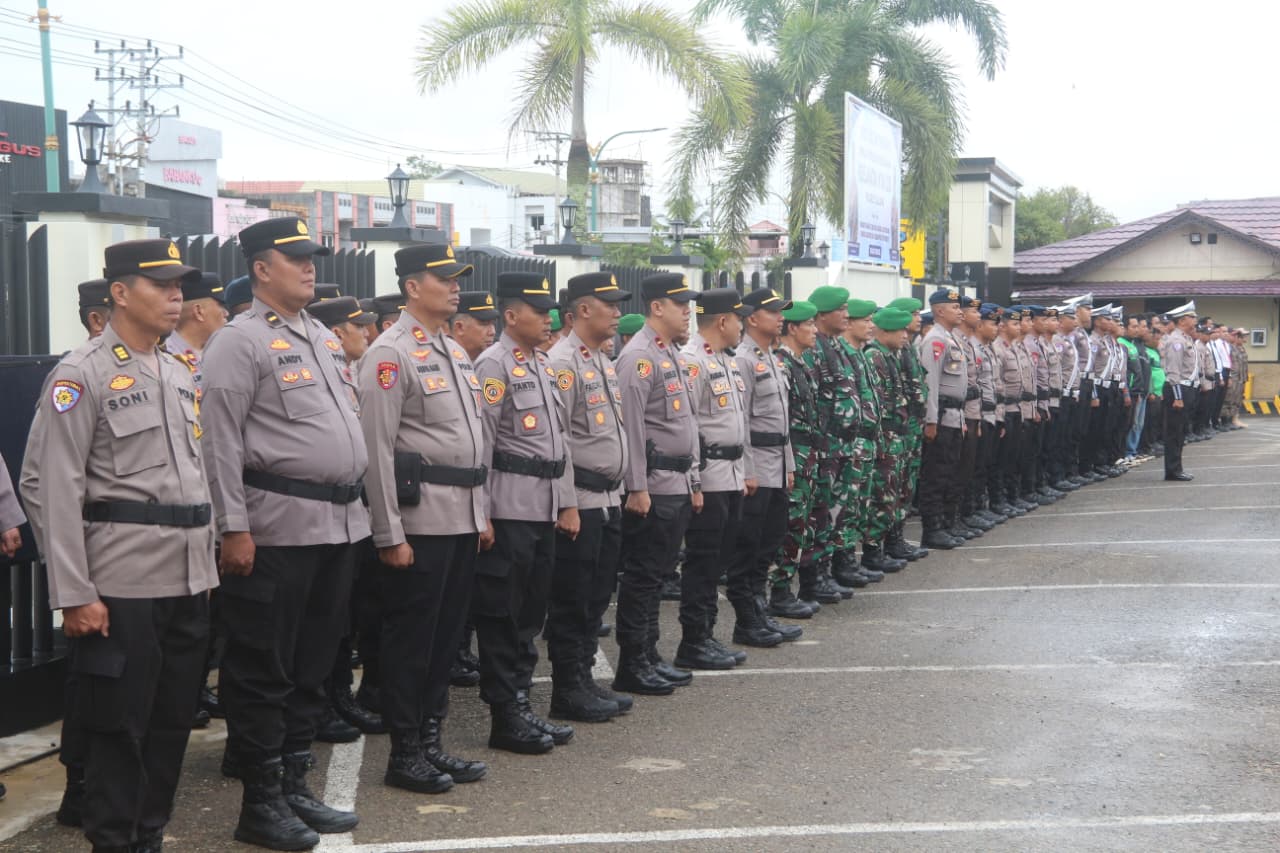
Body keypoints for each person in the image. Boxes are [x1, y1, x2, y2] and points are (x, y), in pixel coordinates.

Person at [20, 238, 217, 853]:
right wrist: (75, 591)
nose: (176, 296)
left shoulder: (177, 369)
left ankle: (148, 837)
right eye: (162, 285)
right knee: (117, 731)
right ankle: (114, 841)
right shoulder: (81, 373)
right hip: (121, 586)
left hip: (188, 579)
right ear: (122, 293)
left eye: (181, 285)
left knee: (169, 725)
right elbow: (47, 482)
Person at [201, 217, 368, 850]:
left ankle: (295, 782)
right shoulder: (236, 342)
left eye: (311, 257)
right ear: (260, 269)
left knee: (312, 665)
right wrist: (233, 527)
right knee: (261, 669)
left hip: (336, 526)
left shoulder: (321, 336)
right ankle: (260, 800)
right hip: (273, 531)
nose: (309, 266)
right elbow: (218, 443)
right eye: (294, 258)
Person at [359, 243, 489, 790]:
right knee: (411, 640)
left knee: (445, 639)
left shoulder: (454, 352)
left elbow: (472, 444)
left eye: (458, 278)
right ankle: (404, 751)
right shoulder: (389, 355)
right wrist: (389, 532)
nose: (456, 287)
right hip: (421, 523)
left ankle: (432, 742)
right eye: (445, 278)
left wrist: (481, 514)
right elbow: (377, 450)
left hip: (460, 518)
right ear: (413, 287)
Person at [472, 272, 578, 754]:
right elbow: (482, 445)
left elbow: (560, 442)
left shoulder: (542, 363)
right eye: (539, 312)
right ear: (512, 316)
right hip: (510, 506)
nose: (549, 320)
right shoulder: (494, 365)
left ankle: (521, 704)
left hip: (544, 506)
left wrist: (568, 501)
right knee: (504, 614)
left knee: (531, 614)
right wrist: (483, 513)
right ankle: (505, 713)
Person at [546, 272, 634, 721]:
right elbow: (558, 441)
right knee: (573, 600)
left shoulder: (599, 358)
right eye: (610, 305)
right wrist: (566, 504)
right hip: (580, 499)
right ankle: (567, 689)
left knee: (597, 597)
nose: (618, 312)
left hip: (607, 498)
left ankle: (583, 679)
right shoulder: (563, 363)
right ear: (583, 310)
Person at [612, 273, 701, 695]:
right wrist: (637, 487)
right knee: (643, 577)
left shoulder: (668, 354)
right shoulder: (639, 357)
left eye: (689, 303)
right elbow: (629, 428)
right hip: (654, 484)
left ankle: (649, 655)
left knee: (658, 574)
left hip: (676, 481)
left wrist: (694, 479)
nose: (688, 311)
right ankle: (633, 661)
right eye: (680, 303)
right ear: (657, 307)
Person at [307, 296, 387, 742]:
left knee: (344, 617)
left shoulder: (350, 375)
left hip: (352, 513)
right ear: (338, 333)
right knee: (327, 624)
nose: (367, 333)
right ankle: (323, 702)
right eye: (359, 327)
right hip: (314, 517)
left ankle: (337, 696)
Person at [677, 288, 757, 667]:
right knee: (702, 561)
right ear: (723, 321)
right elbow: (687, 425)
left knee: (719, 559)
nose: (743, 326)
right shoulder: (692, 361)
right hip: (708, 477)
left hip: (730, 475)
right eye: (740, 318)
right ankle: (694, 640)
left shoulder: (725, 360)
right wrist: (693, 481)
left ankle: (706, 634)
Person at [729, 288, 802, 645]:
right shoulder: (743, 358)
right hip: (757, 464)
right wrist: (747, 470)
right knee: (748, 546)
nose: (780, 317)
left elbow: (782, 420)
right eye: (773, 311)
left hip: (776, 465)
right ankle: (746, 620)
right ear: (752, 317)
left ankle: (759, 611)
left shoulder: (772, 357)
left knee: (769, 542)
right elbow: (740, 420)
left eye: (781, 311)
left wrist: (789, 465)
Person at [769, 300, 825, 617]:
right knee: (790, 526)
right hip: (794, 454)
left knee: (803, 524)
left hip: (808, 455)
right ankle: (779, 591)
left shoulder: (799, 363)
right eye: (809, 325)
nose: (814, 330)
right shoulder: (782, 364)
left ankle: (791, 587)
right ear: (794, 328)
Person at [805, 285, 859, 600]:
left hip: (840, 445)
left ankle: (825, 572)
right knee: (819, 513)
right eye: (840, 310)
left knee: (833, 513)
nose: (846, 315)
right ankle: (814, 579)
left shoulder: (835, 346)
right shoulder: (815, 349)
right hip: (824, 446)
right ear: (823, 314)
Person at [917, 288, 969, 549]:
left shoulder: (951, 338)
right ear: (939, 310)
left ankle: (947, 524)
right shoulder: (935, 341)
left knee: (949, 473)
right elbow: (931, 383)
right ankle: (932, 529)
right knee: (935, 476)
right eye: (954, 307)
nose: (960, 311)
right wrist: (931, 420)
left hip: (955, 416)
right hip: (941, 418)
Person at [1159, 301, 1199, 481]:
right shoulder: (1176, 341)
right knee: (1174, 432)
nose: (1195, 319)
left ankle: (1177, 468)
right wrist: (1177, 396)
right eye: (1192, 316)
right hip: (1178, 389)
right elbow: (1173, 370)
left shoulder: (1186, 338)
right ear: (1183, 320)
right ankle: (1172, 470)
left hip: (1186, 388)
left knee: (1180, 431)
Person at [451, 290, 500, 361]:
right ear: (460, 327)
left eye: (493, 324)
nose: (492, 332)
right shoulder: (445, 363)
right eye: (484, 324)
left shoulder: (494, 362)